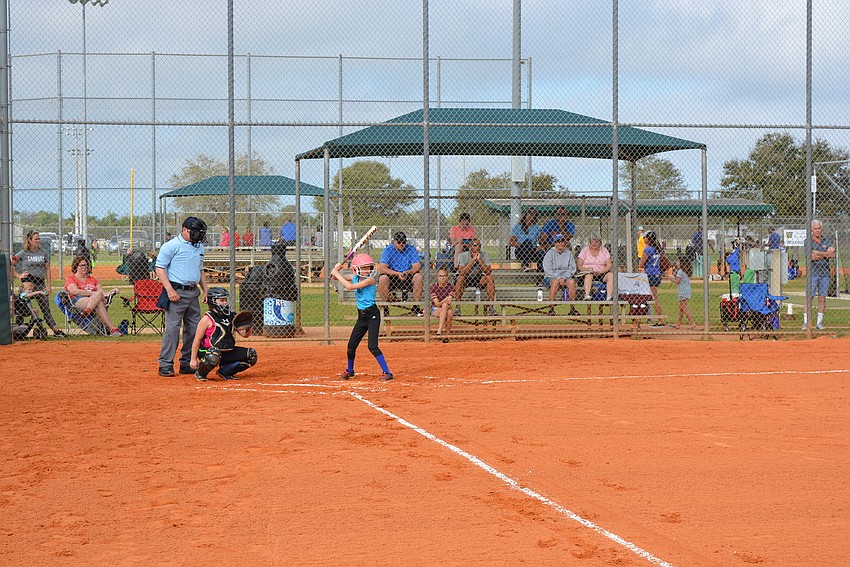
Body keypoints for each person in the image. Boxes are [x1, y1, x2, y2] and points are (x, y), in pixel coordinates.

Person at [155, 216, 209, 377]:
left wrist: (205, 290)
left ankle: (187, 363)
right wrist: (169, 290)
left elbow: (200, 270)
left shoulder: (199, 247)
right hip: (176, 292)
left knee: (194, 329)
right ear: (185, 230)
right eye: (195, 232)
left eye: (200, 232)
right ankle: (165, 364)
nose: (198, 235)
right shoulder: (171, 245)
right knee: (172, 330)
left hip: (193, 293)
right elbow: (160, 268)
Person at [330, 253, 393, 381]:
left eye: (368, 267)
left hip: (373, 315)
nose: (367, 270)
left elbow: (349, 287)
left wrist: (336, 273)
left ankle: (387, 372)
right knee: (351, 345)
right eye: (363, 268)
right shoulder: (354, 277)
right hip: (362, 317)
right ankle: (350, 370)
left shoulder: (370, 280)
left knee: (372, 346)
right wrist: (336, 270)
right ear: (356, 269)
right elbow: (335, 278)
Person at [189, 287, 257, 381]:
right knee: (214, 354)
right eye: (221, 300)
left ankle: (225, 371)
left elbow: (245, 335)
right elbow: (197, 339)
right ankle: (201, 373)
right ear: (213, 301)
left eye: (225, 300)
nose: (225, 303)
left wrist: (247, 327)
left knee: (251, 355)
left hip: (227, 351)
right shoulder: (207, 319)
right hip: (207, 351)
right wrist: (193, 359)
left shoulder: (232, 316)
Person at [12, 230, 65, 337]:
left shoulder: (43, 252)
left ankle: (56, 331)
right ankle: (20, 328)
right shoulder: (24, 252)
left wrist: (48, 285)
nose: (38, 241)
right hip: (27, 284)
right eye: (36, 239)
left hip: (40, 283)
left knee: (46, 308)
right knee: (24, 307)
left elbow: (47, 269)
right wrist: (18, 275)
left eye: (39, 239)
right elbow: (11, 262)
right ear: (29, 240)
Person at [64, 255, 122, 337]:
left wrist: (112, 291)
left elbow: (102, 293)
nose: (85, 267)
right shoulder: (71, 278)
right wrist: (93, 294)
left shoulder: (93, 279)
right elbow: (75, 291)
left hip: (94, 302)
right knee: (98, 300)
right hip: (79, 300)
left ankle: (87, 311)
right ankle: (112, 329)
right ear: (76, 267)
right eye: (82, 265)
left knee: (99, 297)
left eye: (86, 265)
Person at [378, 231, 424, 316]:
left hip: (407, 275)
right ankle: (385, 307)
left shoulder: (411, 249)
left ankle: (416, 306)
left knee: (418, 277)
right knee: (382, 278)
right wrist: (397, 273)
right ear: (394, 241)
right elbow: (382, 268)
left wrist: (408, 272)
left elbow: (417, 266)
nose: (401, 244)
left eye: (403, 242)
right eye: (399, 242)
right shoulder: (388, 250)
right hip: (393, 276)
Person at [803, 219, 835, 330]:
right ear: (812, 230)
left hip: (824, 273)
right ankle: (806, 323)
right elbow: (810, 257)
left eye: (819, 228)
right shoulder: (808, 241)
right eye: (815, 228)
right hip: (812, 273)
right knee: (809, 297)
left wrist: (818, 253)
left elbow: (832, 255)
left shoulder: (826, 241)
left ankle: (819, 323)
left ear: (821, 229)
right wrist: (825, 254)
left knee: (822, 298)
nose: (817, 230)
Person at [454, 238, 496, 316]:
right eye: (475, 245)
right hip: (465, 279)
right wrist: (473, 260)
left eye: (479, 245)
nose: (478, 247)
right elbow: (462, 273)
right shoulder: (462, 255)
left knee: (489, 278)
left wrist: (479, 260)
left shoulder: (484, 255)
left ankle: (491, 308)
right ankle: (457, 308)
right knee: (460, 278)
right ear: (470, 247)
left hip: (478, 278)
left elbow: (488, 272)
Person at [542, 234, 579, 316]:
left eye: (562, 241)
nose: (561, 243)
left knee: (572, 282)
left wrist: (564, 277)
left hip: (566, 277)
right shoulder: (549, 253)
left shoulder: (569, 253)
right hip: (552, 277)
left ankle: (572, 309)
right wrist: (559, 278)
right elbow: (547, 270)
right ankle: (551, 309)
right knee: (555, 282)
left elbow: (572, 268)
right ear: (554, 243)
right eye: (558, 241)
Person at [577, 234, 614, 302]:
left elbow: (609, 265)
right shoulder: (585, 250)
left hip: (601, 273)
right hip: (588, 273)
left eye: (597, 241)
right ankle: (587, 295)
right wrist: (587, 269)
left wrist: (601, 271)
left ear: (600, 243)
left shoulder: (604, 250)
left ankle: (609, 297)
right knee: (589, 275)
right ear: (589, 241)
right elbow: (579, 265)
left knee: (610, 275)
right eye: (593, 241)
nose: (594, 243)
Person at [639, 230, 664, 325]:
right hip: (657, 274)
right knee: (652, 298)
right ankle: (652, 318)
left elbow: (641, 264)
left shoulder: (647, 250)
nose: (643, 238)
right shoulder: (657, 248)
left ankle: (660, 320)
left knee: (652, 298)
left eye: (645, 237)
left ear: (649, 239)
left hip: (650, 275)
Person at [509, 207, 546, 272]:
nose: (532, 215)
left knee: (541, 253)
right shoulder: (518, 226)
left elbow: (542, 241)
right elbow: (511, 241)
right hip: (520, 250)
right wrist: (523, 245)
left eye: (534, 214)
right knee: (527, 242)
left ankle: (540, 274)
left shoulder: (537, 228)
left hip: (533, 251)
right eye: (530, 213)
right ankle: (525, 265)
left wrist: (541, 246)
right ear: (526, 214)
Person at [668, 256, 695, 329]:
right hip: (686, 290)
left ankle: (692, 323)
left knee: (684, 307)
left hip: (683, 291)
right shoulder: (684, 271)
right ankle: (678, 324)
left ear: (682, 263)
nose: (676, 263)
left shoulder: (680, 271)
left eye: (678, 261)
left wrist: (671, 278)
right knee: (681, 309)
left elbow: (677, 281)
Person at [430, 268, 455, 341]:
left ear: (447, 277)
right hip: (435, 309)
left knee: (447, 308)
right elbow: (437, 304)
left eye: (444, 276)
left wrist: (445, 301)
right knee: (448, 311)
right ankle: (446, 335)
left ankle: (440, 331)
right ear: (437, 277)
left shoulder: (450, 287)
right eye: (440, 276)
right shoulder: (433, 287)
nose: (442, 278)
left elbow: (449, 300)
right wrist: (444, 300)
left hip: (447, 308)